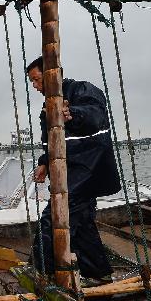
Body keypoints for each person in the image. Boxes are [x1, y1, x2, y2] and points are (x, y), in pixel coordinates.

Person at [26, 57, 121, 285]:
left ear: (52, 75)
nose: (35, 87)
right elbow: (49, 140)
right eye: (32, 83)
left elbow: (95, 114)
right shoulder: (46, 105)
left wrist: (73, 113)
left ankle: (43, 271)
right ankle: (99, 273)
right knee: (83, 224)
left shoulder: (82, 90)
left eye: (37, 80)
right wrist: (44, 163)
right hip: (70, 171)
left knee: (54, 218)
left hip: (89, 168)